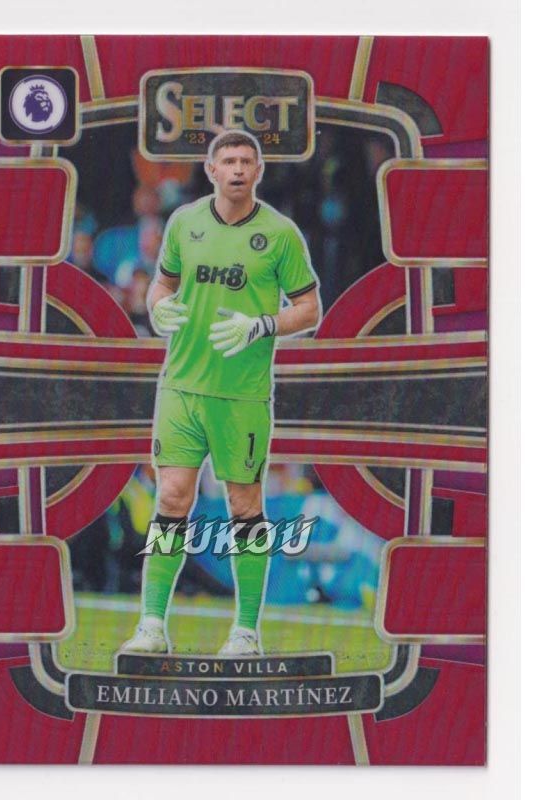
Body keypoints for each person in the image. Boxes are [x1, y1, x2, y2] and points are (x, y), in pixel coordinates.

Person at [121, 130, 321, 656]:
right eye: (227, 160)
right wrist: (158, 306)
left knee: (244, 504)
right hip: (182, 386)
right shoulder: (184, 223)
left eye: (246, 161)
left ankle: (246, 631)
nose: (236, 168)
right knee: (171, 497)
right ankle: (151, 625)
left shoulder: (280, 234)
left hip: (242, 395)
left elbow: (309, 308)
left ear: (258, 171)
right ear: (210, 170)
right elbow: (163, 284)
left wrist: (262, 325)